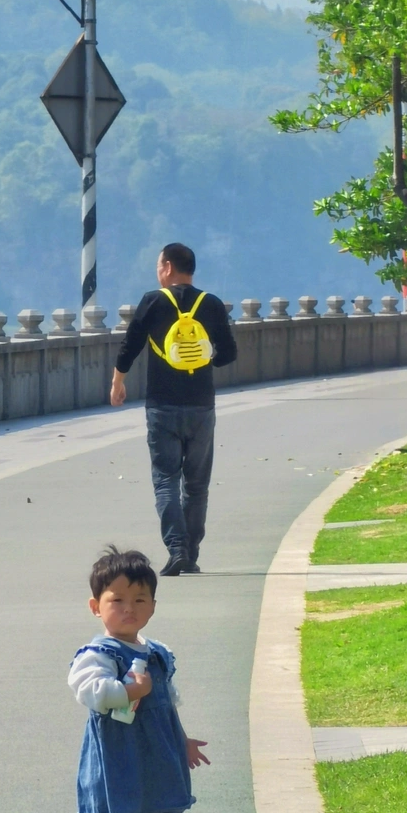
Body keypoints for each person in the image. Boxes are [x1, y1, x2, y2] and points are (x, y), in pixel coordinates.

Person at [68, 546, 209, 813]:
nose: (129, 608)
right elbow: (91, 692)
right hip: (119, 766)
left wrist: (181, 739)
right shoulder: (98, 654)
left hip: (153, 761)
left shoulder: (156, 652)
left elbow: (166, 703)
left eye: (140, 600)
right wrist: (130, 690)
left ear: (152, 607)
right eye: (117, 600)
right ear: (96, 606)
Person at [110, 243, 237, 575]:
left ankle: (176, 548)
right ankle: (191, 554)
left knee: (166, 479)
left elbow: (130, 345)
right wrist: (205, 358)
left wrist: (117, 382)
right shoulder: (210, 303)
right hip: (201, 406)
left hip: (162, 406)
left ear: (167, 267)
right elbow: (228, 354)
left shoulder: (153, 301)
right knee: (197, 485)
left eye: (158, 265)